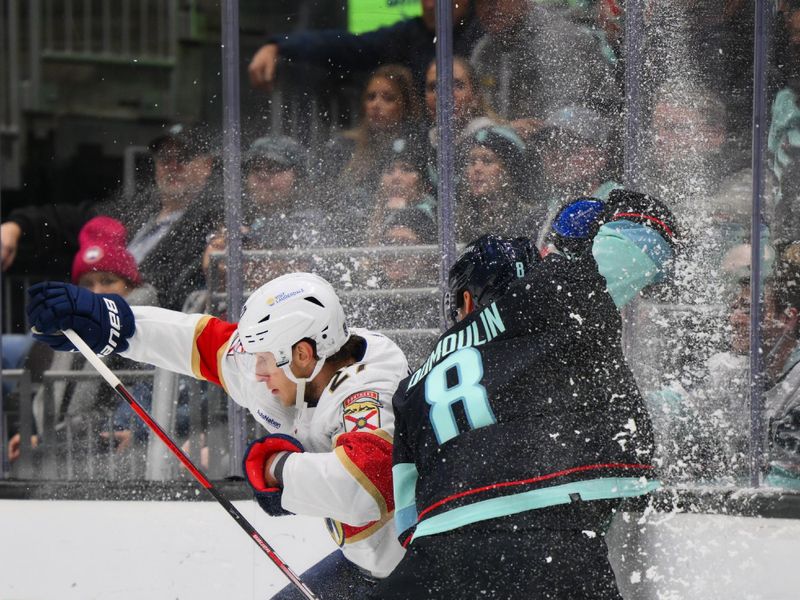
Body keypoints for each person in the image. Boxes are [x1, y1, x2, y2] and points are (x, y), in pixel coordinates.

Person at [26, 272, 409, 598]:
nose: (254, 372)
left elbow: (368, 487)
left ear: (304, 354)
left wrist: (277, 468)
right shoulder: (291, 365)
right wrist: (111, 321)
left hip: (413, 573)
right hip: (365, 564)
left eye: (262, 360)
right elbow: (206, 344)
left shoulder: (369, 391)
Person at [375, 233, 658, 599]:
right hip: (553, 543)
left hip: (441, 553)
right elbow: (646, 240)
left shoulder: (413, 387)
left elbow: (409, 516)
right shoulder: (561, 314)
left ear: (466, 299)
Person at [2, 122, 223, 311]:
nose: (172, 166)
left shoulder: (212, 223)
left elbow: (179, 292)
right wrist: (16, 227)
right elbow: (69, 219)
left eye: (183, 158)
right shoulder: (134, 212)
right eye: (164, 158)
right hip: (90, 322)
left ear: (206, 166)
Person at [7, 217, 158, 472]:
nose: (96, 292)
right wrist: (22, 431)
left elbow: (111, 422)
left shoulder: (138, 331)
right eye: (87, 284)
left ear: (131, 287)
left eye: (108, 281)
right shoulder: (58, 332)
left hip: (112, 466)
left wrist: (43, 441)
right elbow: (23, 389)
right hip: (56, 457)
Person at [247, 0, 484, 93]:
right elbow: (348, 46)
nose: (432, 6)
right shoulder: (409, 34)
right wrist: (280, 46)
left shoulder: (487, 30)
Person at [470, 0, 619, 137]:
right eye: (481, 2)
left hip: (579, 145)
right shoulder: (484, 50)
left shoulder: (558, 39)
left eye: (495, 1)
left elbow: (565, 119)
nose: (489, 9)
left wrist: (509, 132)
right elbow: (478, 112)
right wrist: (506, 128)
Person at [455, 125, 539, 242]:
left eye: (487, 161)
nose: (477, 168)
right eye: (472, 161)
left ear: (509, 171)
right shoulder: (456, 220)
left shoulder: (529, 219)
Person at [423, 55, 499, 149]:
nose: (443, 96)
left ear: (475, 97)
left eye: (457, 85)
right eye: (434, 87)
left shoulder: (494, 139)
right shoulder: (422, 143)